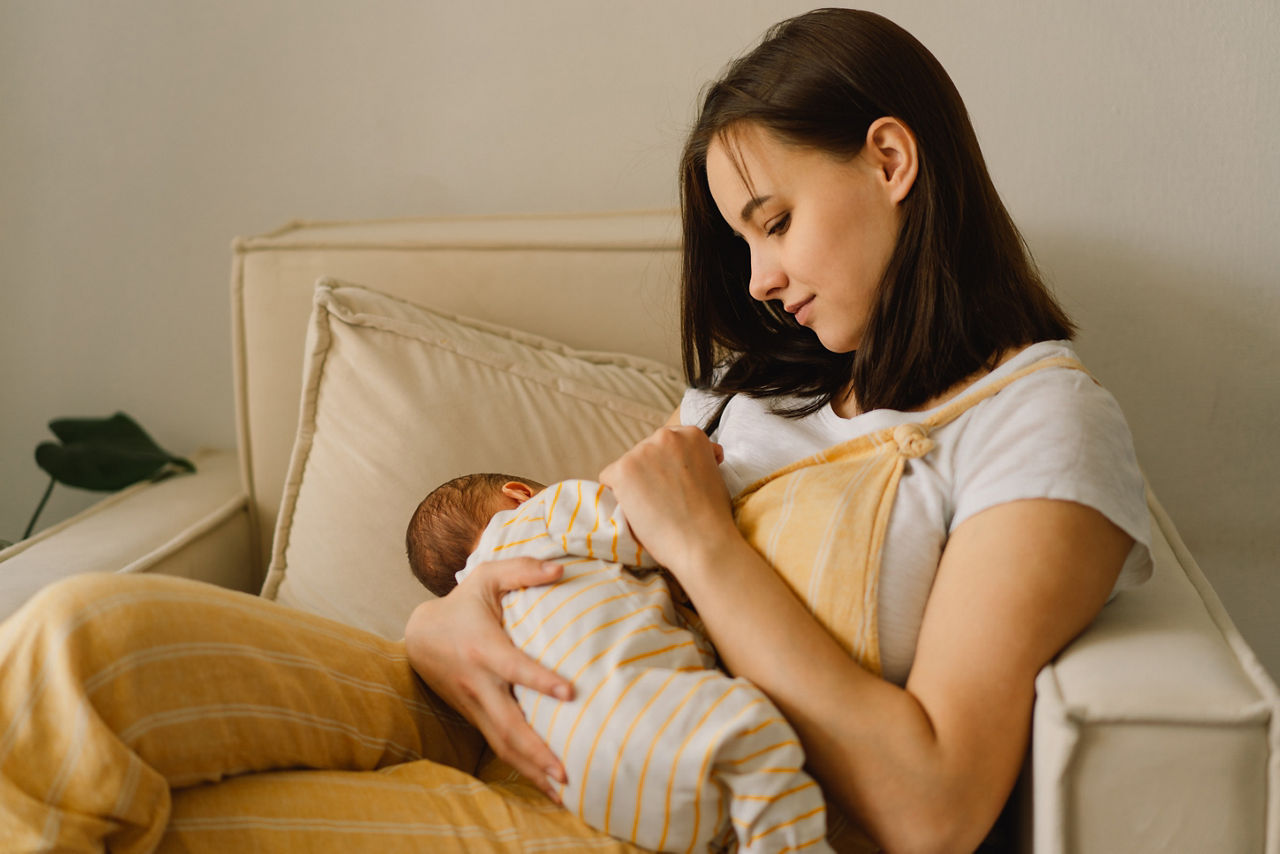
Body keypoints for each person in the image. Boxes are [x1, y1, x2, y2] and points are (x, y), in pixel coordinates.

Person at [0, 9, 1151, 853]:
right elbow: (589, 551)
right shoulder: (762, 390)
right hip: (486, 700)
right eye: (741, 242)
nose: (756, 278)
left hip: (657, 807)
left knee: (175, 828)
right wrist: (440, 623)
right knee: (67, 643)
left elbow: (932, 802)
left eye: (773, 221)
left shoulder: (1037, 420)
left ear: (890, 160)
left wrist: (707, 545)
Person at [404, 472, 831, 852]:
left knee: (716, 813)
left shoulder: (483, 621)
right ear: (518, 494)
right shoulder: (540, 513)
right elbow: (649, 526)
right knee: (756, 746)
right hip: (647, 715)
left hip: (587, 789)